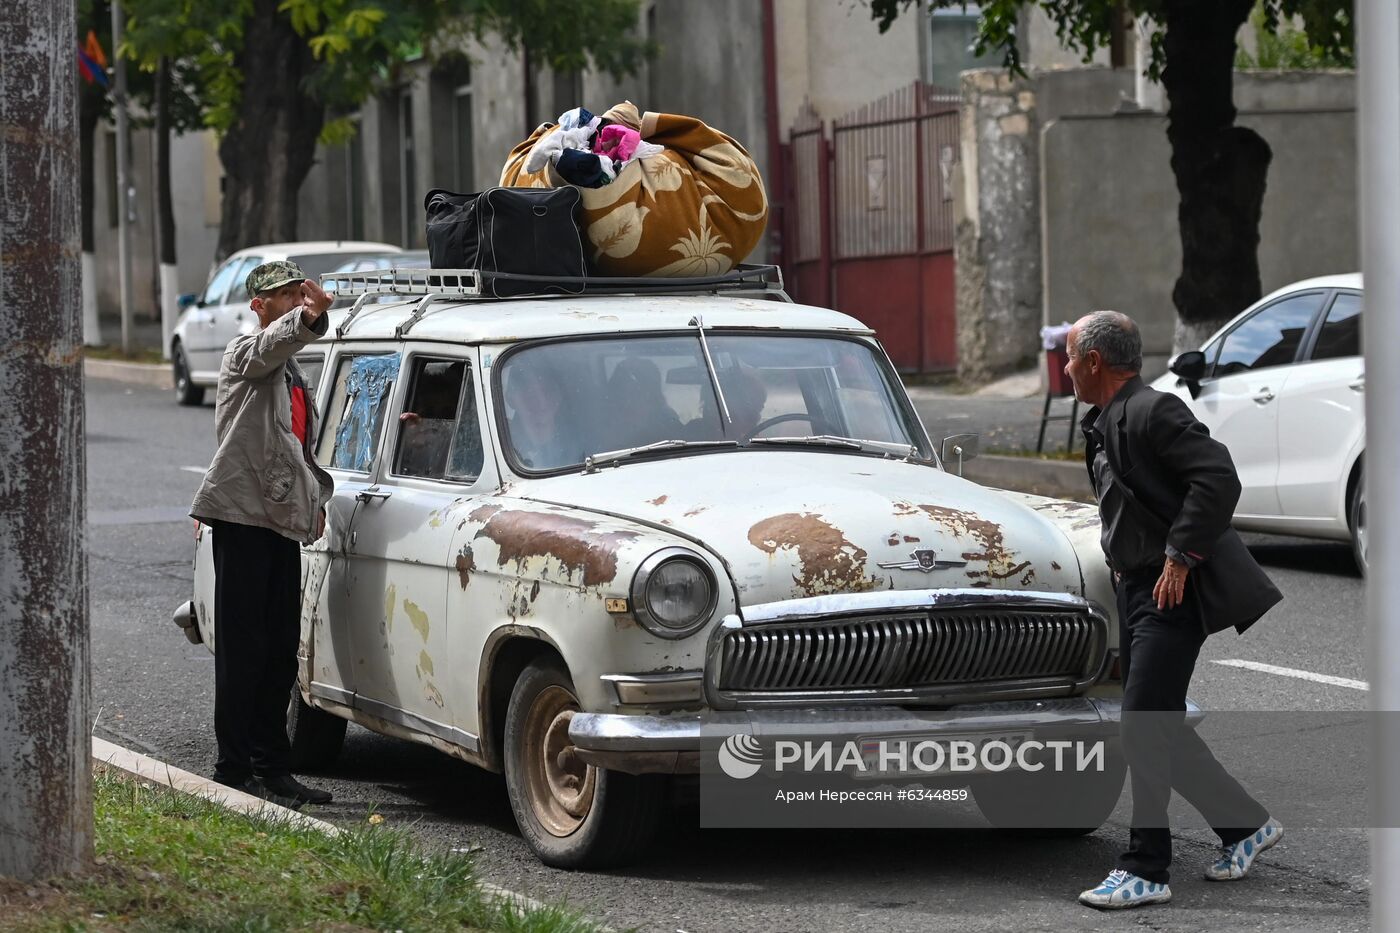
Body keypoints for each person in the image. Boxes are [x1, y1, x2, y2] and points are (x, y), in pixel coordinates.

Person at [1065, 310, 1283, 910]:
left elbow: (1217, 477)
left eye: (1068, 356)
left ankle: (1146, 867)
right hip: (1139, 589)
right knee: (1158, 724)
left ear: (1094, 362)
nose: (1063, 368)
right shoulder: (1109, 418)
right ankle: (1245, 825)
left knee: (1141, 726)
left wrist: (1180, 556)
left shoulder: (1154, 409)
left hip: (1171, 590)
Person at [189, 260, 336, 810]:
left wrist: (313, 500)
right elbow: (270, 348)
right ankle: (233, 770)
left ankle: (274, 769)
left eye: (301, 291)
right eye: (285, 295)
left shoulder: (294, 372)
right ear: (259, 306)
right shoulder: (242, 353)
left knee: (279, 652)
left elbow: (296, 448)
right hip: (242, 519)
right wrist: (308, 317)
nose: (298, 300)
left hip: (280, 522)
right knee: (243, 651)